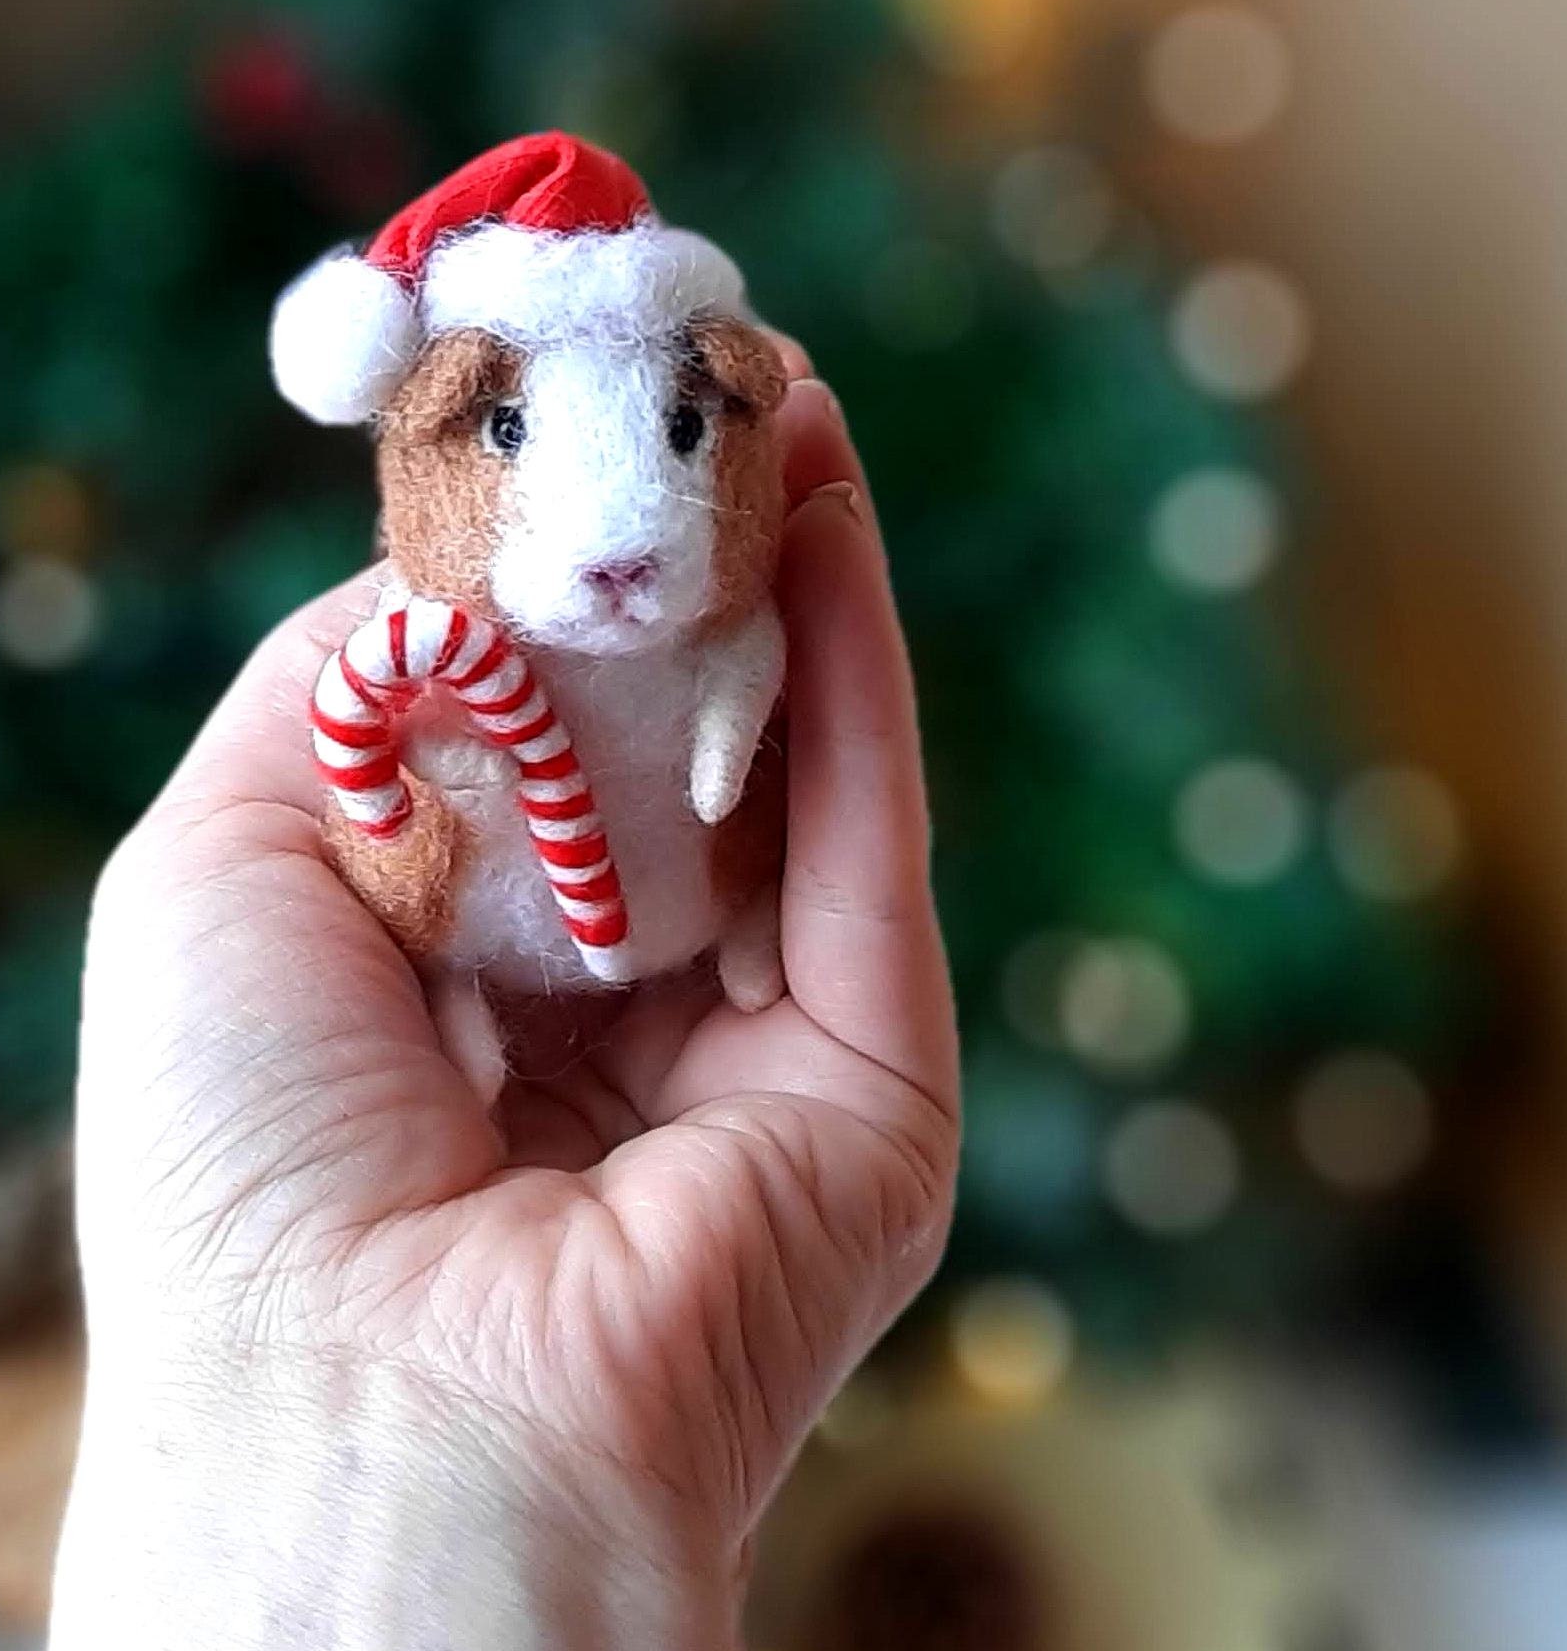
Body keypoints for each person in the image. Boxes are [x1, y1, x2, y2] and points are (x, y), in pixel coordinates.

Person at [50, 358, 957, 1648]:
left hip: (692, 913)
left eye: (687, 429)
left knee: (764, 829)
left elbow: (745, 684)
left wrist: (715, 750)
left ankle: (747, 924)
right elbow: (403, 741)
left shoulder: (725, 602)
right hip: (496, 925)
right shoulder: (447, 635)